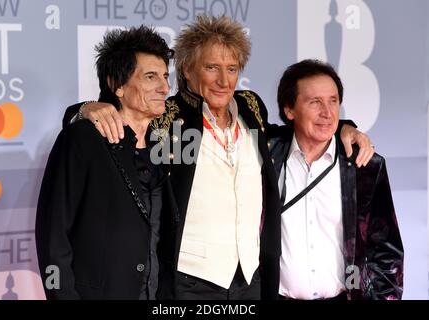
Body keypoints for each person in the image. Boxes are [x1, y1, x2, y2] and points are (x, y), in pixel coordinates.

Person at [62, 16, 374, 300]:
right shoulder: (168, 118)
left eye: (232, 69)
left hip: (249, 279)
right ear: (187, 70)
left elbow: (294, 131)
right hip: (190, 280)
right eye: (212, 68)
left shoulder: (251, 108)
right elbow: (123, 115)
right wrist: (83, 110)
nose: (224, 81)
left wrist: (344, 128)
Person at [35, 26, 175, 299]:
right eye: (150, 77)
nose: (164, 87)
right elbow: (53, 236)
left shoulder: (167, 142)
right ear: (117, 85)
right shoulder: (83, 138)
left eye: (166, 76)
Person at [269, 59, 403, 300]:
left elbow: (387, 252)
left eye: (333, 101)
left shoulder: (366, 166)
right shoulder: (266, 155)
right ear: (289, 110)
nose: (327, 113)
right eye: (315, 102)